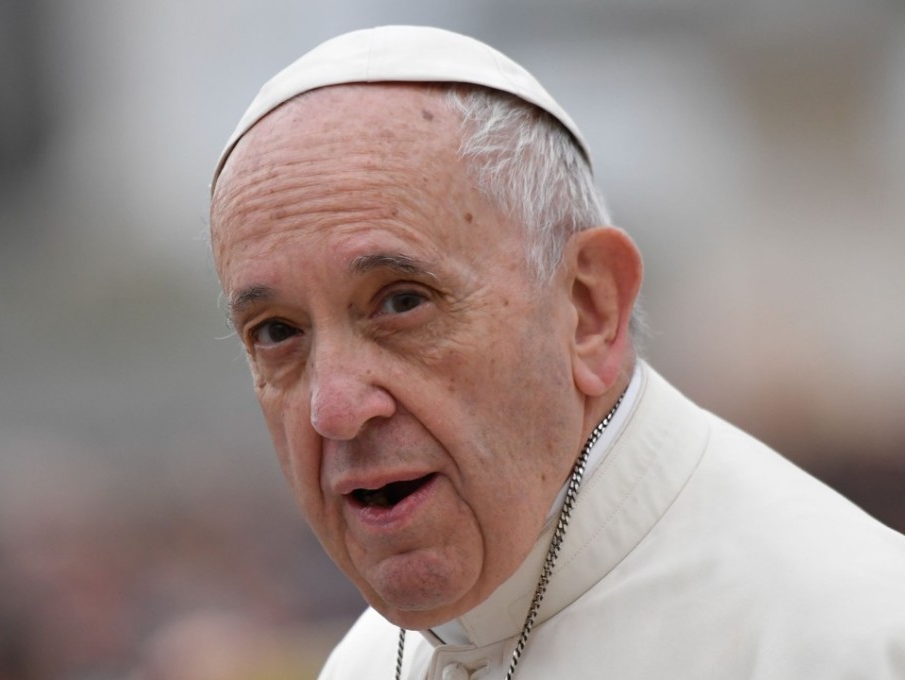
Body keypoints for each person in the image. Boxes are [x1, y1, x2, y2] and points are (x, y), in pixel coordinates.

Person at [207, 25, 905, 680]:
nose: (335, 408)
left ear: (588, 309)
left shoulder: (848, 641)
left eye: (401, 302)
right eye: (276, 332)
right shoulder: (361, 666)